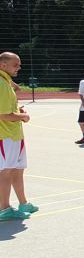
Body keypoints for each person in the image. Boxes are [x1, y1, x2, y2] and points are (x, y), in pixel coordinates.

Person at [0, 52, 36, 221]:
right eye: (16, 65)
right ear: (3, 65)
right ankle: (4, 208)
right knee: (6, 172)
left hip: (14, 134)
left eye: (19, 65)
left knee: (18, 170)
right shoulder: (2, 83)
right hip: (5, 135)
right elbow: (3, 114)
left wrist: (18, 111)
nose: (19, 68)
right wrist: (22, 116)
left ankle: (23, 203)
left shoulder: (6, 82)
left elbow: (8, 110)